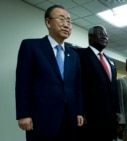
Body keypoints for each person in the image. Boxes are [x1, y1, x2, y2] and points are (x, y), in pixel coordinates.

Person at [15, 5, 84, 141]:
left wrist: (79, 111)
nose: (67, 25)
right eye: (61, 19)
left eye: (69, 21)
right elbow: (23, 83)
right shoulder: (31, 46)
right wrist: (23, 114)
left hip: (69, 118)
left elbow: (77, 87)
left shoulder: (74, 54)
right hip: (41, 118)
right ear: (48, 22)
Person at [72, 25, 120, 141]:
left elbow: (113, 88)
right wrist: (80, 111)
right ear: (91, 37)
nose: (105, 36)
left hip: (110, 117)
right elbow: (75, 84)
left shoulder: (111, 61)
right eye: (101, 34)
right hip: (90, 117)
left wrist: (117, 111)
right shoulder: (79, 54)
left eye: (106, 35)